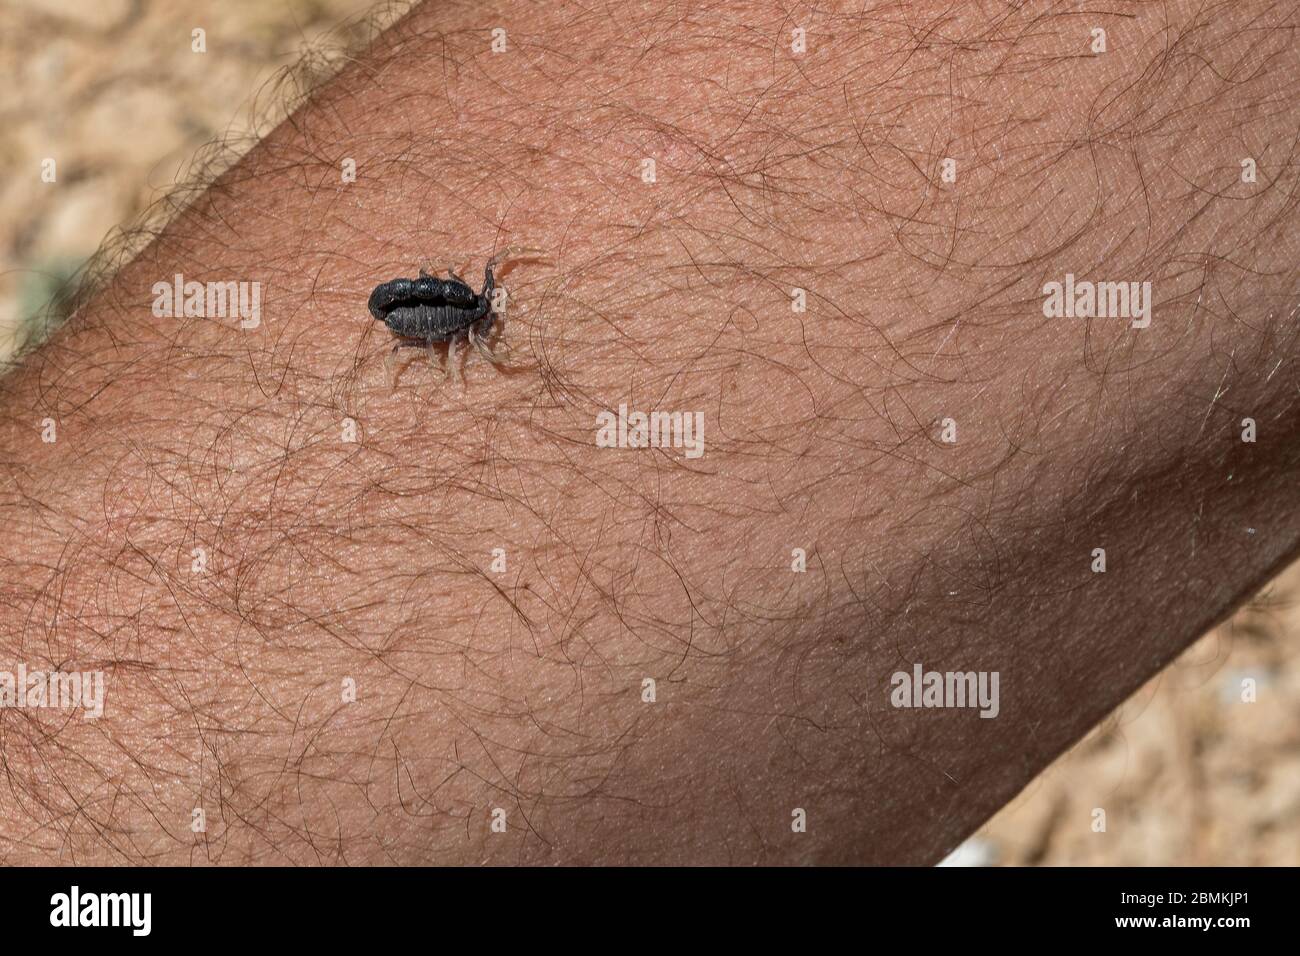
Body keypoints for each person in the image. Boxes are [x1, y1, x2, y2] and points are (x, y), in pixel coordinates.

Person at [0, 0, 1295, 864]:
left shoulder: (455, 316)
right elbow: (426, 307)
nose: (477, 299)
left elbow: (425, 307)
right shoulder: (459, 316)